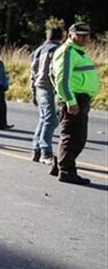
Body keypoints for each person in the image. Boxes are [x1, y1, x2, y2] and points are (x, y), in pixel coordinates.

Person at [49, 23, 101, 185]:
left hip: (79, 98)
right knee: (74, 137)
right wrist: (71, 101)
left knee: (72, 136)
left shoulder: (78, 52)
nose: (85, 38)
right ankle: (67, 171)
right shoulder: (68, 52)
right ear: (71, 35)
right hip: (73, 99)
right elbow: (61, 80)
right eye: (81, 35)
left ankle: (59, 164)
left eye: (87, 35)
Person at [30, 26, 63, 162]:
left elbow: (32, 73)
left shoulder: (38, 51)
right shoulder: (57, 50)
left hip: (39, 87)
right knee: (51, 119)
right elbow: (57, 71)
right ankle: (45, 151)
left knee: (44, 118)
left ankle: (36, 149)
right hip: (49, 87)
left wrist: (33, 91)